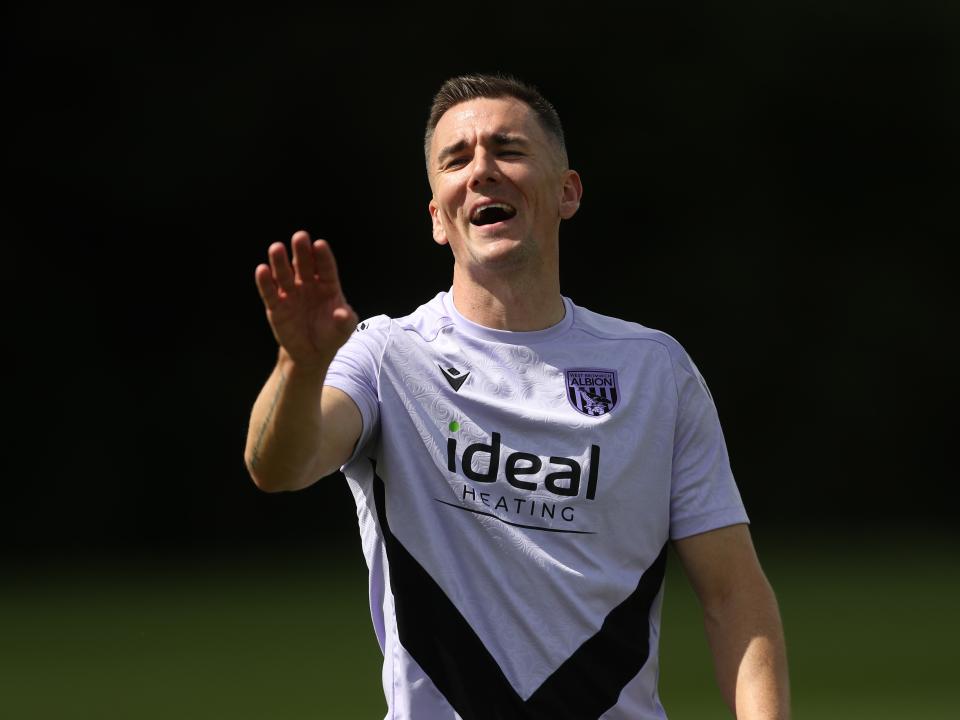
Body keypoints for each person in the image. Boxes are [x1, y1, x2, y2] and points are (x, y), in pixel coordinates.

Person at [245, 74, 790, 719]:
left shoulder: (655, 371)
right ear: (437, 218)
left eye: (508, 149)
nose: (481, 170)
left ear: (567, 193)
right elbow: (279, 466)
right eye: (457, 158)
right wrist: (298, 368)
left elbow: (735, 599)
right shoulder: (388, 355)